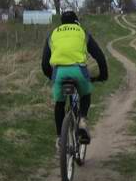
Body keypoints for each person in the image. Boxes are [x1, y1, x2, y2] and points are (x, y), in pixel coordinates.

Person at [41, 10, 108, 150]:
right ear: (76, 21)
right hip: (78, 71)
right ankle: (82, 119)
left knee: (59, 104)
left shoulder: (53, 34)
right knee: (85, 93)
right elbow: (99, 57)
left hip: (59, 72)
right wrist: (103, 75)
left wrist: (51, 76)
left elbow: (44, 63)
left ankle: (60, 138)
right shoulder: (82, 32)